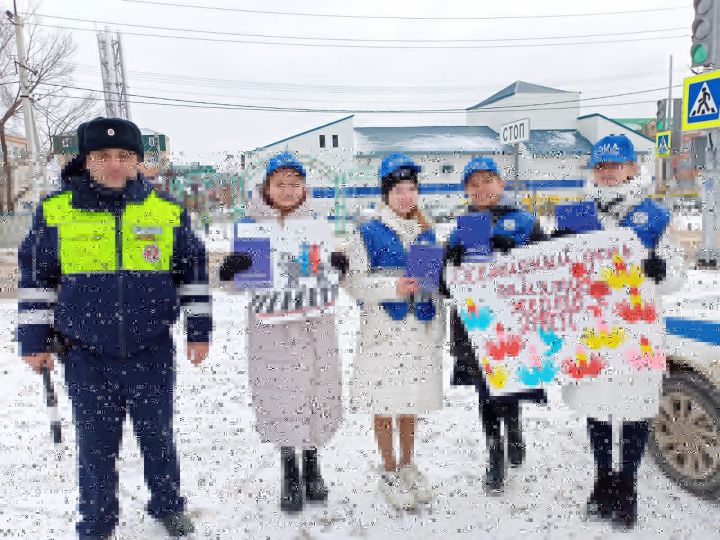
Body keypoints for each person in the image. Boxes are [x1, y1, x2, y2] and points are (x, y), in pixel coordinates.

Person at [17, 117, 210, 540]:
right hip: (87, 354)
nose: (115, 164)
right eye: (103, 156)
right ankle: (97, 520)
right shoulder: (55, 210)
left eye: (124, 155)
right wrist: (33, 340)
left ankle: (167, 503)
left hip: (150, 349)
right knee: (96, 445)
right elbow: (37, 279)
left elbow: (191, 273)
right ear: (86, 160)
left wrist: (199, 330)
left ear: (138, 161)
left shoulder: (166, 210)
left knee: (157, 436)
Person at [555, 134, 684, 528]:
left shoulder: (656, 216)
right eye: (601, 166)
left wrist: (660, 271)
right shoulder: (575, 215)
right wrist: (556, 251)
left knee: (632, 408)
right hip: (590, 328)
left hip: (637, 329)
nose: (608, 172)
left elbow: (677, 272)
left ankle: (626, 484)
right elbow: (554, 272)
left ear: (631, 167)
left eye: (615, 165)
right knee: (596, 406)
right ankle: (602, 480)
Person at [219, 152, 346, 513]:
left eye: (295, 184)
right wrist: (232, 272)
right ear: (267, 187)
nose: (288, 191)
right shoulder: (252, 226)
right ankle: (289, 467)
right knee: (281, 396)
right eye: (281, 184)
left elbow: (329, 278)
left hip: (314, 325)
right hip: (272, 330)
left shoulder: (317, 225)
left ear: (304, 188)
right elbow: (239, 286)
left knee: (314, 392)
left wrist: (339, 267)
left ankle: (312, 462)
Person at [343, 153, 443, 510]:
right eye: (398, 190)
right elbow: (354, 283)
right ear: (386, 194)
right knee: (384, 402)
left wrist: (436, 325)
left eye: (411, 189)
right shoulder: (367, 231)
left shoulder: (427, 231)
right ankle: (388, 468)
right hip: (384, 330)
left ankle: (407, 463)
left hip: (418, 330)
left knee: (410, 401)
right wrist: (391, 287)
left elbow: (433, 284)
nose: (405, 197)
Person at [443, 156, 548, 494]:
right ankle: (494, 452)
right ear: (466, 191)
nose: (481, 188)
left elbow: (550, 269)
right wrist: (451, 262)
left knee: (510, 381)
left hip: (514, 322)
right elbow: (442, 284)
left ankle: (514, 426)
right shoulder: (460, 227)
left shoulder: (526, 221)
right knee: (484, 389)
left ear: (501, 184)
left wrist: (516, 255)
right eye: (473, 183)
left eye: (488, 180)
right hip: (474, 322)